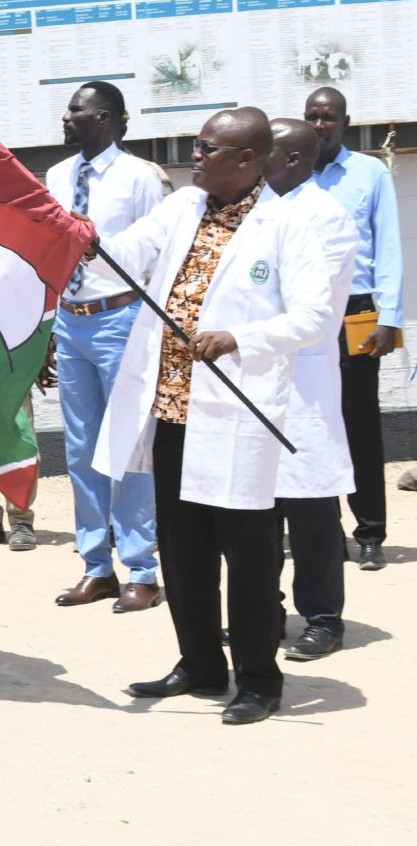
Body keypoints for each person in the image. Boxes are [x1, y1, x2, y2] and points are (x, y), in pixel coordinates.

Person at [96, 108, 335, 725]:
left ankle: (258, 679)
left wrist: (240, 339)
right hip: (172, 409)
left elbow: (314, 316)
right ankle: (200, 663)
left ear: (246, 160)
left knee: (248, 555)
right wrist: (81, 237)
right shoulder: (182, 207)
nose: (194, 156)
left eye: (206, 148)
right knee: (183, 552)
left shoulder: (287, 224)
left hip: (236, 416)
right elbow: (121, 254)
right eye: (196, 145)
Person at [45, 82, 167, 612]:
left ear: (106, 118)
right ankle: (96, 566)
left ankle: (142, 568)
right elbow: (49, 252)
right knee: (81, 448)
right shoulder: (57, 176)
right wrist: (47, 325)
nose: (66, 117)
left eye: (76, 109)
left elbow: (159, 253)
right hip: (71, 320)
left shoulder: (140, 177)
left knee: (129, 444)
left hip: (122, 318)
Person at [263, 119, 360, 661]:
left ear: (295, 160)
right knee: (257, 507)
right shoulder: (257, 210)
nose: (254, 161)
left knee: (311, 506)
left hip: (302, 381)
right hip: (255, 376)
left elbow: (295, 299)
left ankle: (323, 619)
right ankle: (266, 611)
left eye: (265, 152)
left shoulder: (326, 216)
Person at [303, 87, 402, 571]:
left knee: (359, 423)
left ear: (345, 122)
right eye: (312, 116)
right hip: (305, 315)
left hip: (356, 313)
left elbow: (389, 248)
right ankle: (326, 533)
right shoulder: (289, 174)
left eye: (329, 117)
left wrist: (390, 318)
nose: (319, 125)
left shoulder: (369, 173)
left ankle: (370, 533)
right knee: (311, 424)